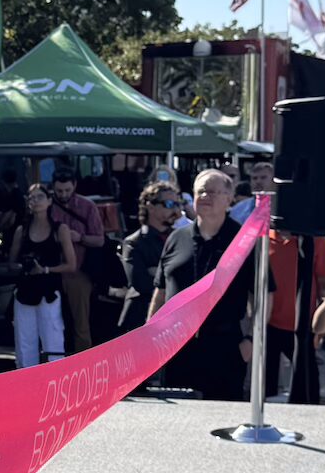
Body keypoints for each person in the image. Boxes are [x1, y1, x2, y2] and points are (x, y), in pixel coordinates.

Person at [149, 170, 264, 400]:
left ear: (229, 198)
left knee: (222, 421)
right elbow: (160, 292)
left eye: (212, 191)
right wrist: (150, 336)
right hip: (177, 348)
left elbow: (262, 295)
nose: (204, 196)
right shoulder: (176, 238)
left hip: (225, 349)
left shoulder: (244, 242)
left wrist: (252, 340)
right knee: (178, 424)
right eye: (200, 191)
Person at [9, 185, 76, 369]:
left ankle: (57, 382)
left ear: (49, 201)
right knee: (24, 342)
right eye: (32, 198)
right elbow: (11, 263)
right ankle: (25, 384)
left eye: (40, 197)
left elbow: (71, 264)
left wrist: (45, 269)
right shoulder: (21, 231)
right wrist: (24, 267)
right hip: (25, 291)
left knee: (53, 340)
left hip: (49, 291)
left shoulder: (59, 229)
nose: (35, 201)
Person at [264, 227, 325, 399]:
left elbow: (324, 280)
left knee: (308, 386)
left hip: (303, 326)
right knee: (265, 385)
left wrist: (323, 326)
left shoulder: (316, 240)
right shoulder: (264, 238)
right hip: (268, 324)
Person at [49, 167, 104, 353]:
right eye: (59, 191)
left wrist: (79, 238)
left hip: (78, 272)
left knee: (81, 323)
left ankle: (83, 361)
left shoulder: (87, 207)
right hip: (52, 271)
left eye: (67, 190)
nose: (63, 195)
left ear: (74, 186)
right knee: (52, 322)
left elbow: (99, 239)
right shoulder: (47, 206)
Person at [118, 184, 178, 331]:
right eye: (169, 204)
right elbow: (141, 283)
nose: (175, 210)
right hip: (140, 319)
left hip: (175, 318)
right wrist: (171, 275)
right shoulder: (134, 242)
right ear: (151, 207)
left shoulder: (180, 238)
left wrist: (155, 271)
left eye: (177, 204)